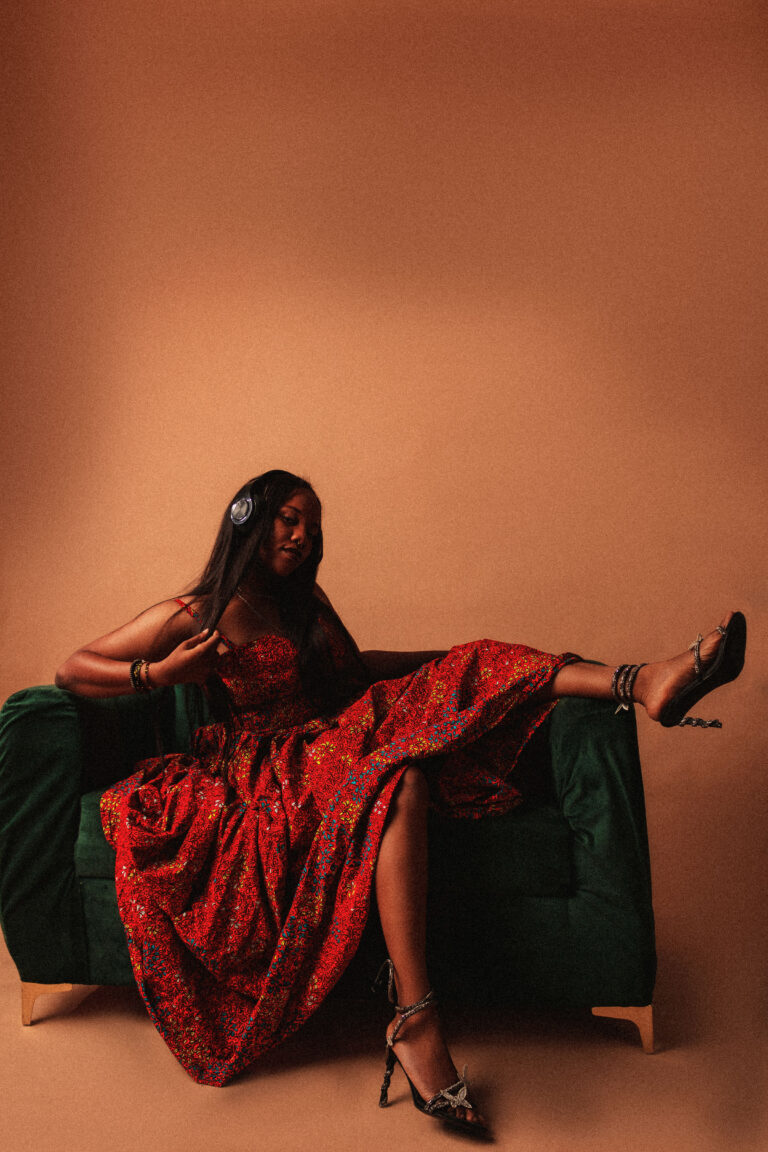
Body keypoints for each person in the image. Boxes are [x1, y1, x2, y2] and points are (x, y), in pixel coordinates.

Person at [55, 469, 746, 1137]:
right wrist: (162, 672)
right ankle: (418, 1023)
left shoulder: (306, 605)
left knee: (450, 706)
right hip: (267, 770)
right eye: (288, 519)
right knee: (415, 754)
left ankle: (647, 682)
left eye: (312, 525)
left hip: (332, 740)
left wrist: (448, 660)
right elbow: (74, 667)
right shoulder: (199, 609)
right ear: (249, 521)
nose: (301, 535)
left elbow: (354, 677)